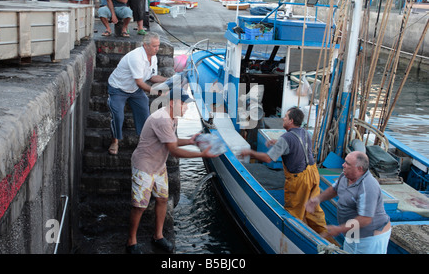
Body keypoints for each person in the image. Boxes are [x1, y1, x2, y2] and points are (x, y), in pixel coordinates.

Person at [126, 88, 219, 254]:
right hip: (145, 166)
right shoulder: (162, 119)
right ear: (172, 103)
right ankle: (131, 241)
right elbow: (174, 150)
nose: (186, 108)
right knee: (139, 206)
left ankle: (158, 236)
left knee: (162, 199)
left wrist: (190, 140)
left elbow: (171, 140)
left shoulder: (172, 117)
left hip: (159, 165)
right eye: (183, 104)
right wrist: (201, 154)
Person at [240, 107, 330, 237]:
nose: (283, 118)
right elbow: (297, 145)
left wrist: (250, 152)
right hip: (313, 174)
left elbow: (268, 158)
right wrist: (277, 143)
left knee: (294, 212)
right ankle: (326, 240)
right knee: (314, 211)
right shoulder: (305, 133)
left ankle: (294, 239)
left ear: (291, 121)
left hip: (299, 180)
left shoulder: (286, 138)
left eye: (286, 117)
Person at [306, 151, 391, 254]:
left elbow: (365, 219)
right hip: (352, 234)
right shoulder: (345, 176)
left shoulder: (368, 186)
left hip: (369, 239)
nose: (343, 165)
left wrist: (339, 229)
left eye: (347, 163)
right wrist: (317, 199)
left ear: (359, 169)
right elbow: (335, 189)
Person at [107, 32, 167, 155]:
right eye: (154, 46)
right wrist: (156, 92)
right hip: (118, 88)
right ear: (145, 45)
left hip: (134, 89)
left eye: (158, 46)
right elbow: (140, 82)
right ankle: (115, 141)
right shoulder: (136, 57)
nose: (157, 49)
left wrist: (168, 79)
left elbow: (152, 77)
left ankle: (144, 141)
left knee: (144, 114)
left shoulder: (153, 57)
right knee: (117, 116)